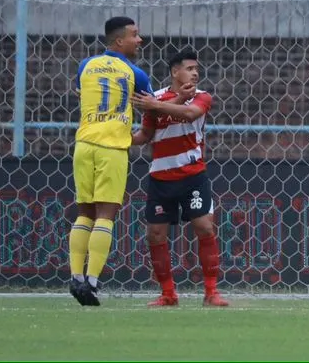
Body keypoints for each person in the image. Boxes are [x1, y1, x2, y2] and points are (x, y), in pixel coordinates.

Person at [132, 48, 227, 308]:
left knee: (205, 227)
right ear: (175, 71)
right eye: (189, 68)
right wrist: (117, 138)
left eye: (197, 69)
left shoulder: (202, 97)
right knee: (155, 235)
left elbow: (190, 114)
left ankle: (211, 292)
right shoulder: (156, 98)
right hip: (161, 178)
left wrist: (155, 106)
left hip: (193, 176)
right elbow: (145, 136)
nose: (195, 73)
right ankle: (168, 295)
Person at [68, 15, 152, 306]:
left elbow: (81, 90)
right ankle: (91, 281)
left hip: (83, 144)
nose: (140, 40)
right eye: (135, 35)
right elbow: (150, 107)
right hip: (112, 147)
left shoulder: (85, 65)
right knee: (105, 215)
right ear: (119, 41)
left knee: (83, 213)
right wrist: (143, 134)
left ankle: (76, 277)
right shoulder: (136, 74)